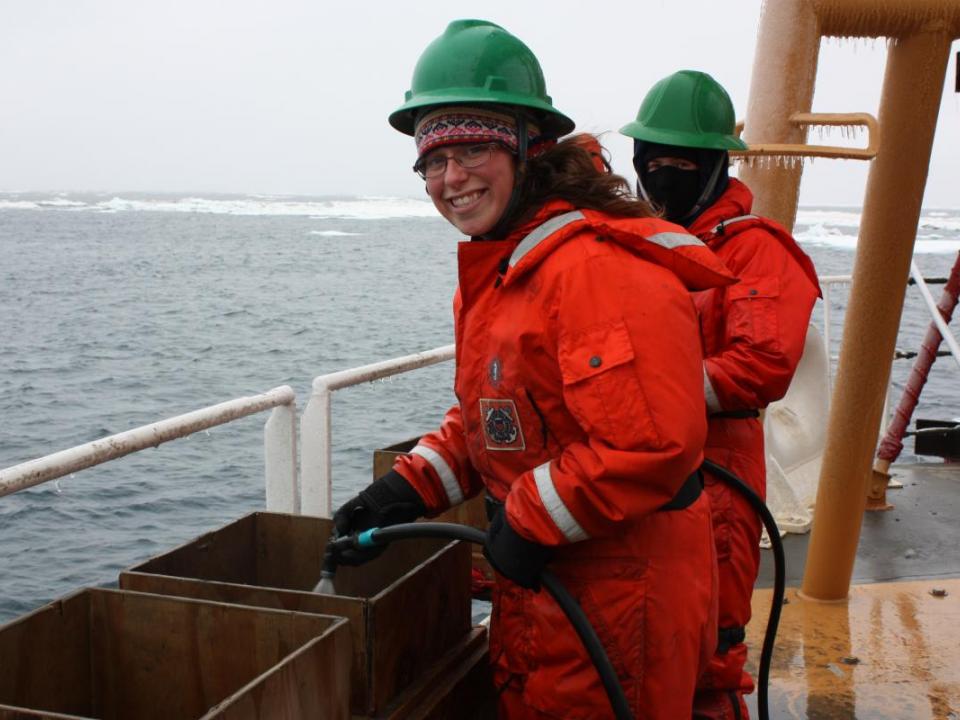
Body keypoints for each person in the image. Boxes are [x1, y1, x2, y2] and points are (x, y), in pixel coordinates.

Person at [332, 21, 735, 719]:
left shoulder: (595, 270)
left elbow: (651, 444)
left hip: (617, 594)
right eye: (433, 158)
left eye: (474, 147)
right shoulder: (501, 269)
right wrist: (407, 488)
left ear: (529, 148)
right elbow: (503, 417)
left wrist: (523, 520)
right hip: (554, 582)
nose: (450, 178)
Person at [621, 70, 821, 720]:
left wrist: (644, 395)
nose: (663, 173)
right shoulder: (642, 245)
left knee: (711, 655)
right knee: (648, 644)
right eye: (652, 159)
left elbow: (760, 366)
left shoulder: (756, 252)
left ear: (715, 164)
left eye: (681, 161)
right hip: (645, 482)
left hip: (720, 487)